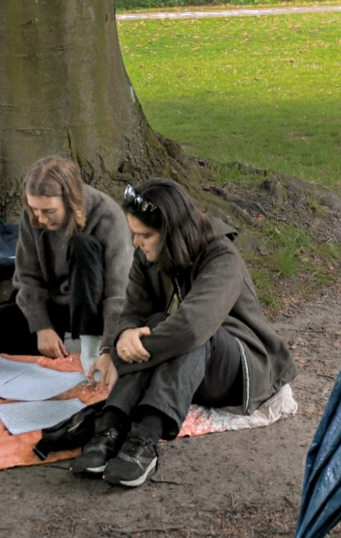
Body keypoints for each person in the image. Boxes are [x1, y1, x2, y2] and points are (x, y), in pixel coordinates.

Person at [76, 178, 297, 489]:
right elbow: (133, 310)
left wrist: (123, 357)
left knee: (192, 335)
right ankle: (109, 429)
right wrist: (120, 339)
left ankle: (145, 440)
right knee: (154, 321)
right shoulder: (150, 253)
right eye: (134, 234)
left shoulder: (223, 258)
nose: (137, 242)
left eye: (145, 235)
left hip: (243, 369)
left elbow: (192, 327)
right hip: (197, 361)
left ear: (172, 232)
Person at [0, 156, 132, 363]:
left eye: (49, 211)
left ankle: (88, 346)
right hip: (55, 310)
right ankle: (64, 346)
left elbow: (118, 293)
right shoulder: (34, 215)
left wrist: (107, 348)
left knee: (82, 245)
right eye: (35, 210)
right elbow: (27, 277)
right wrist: (42, 327)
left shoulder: (107, 215)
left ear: (71, 201)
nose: (41, 219)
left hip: (96, 316)